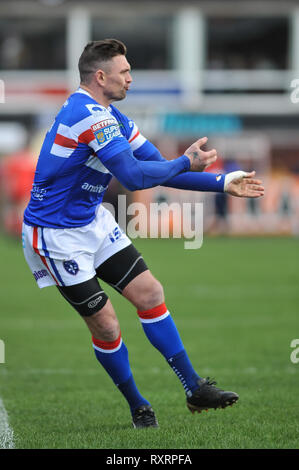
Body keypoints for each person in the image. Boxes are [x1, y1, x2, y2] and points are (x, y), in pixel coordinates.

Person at [22, 39, 264, 428]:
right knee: (107, 324)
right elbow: (135, 176)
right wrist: (183, 162)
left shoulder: (111, 116)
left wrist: (222, 181)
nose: (131, 79)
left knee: (150, 293)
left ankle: (194, 387)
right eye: (125, 72)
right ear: (101, 77)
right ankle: (138, 405)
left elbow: (158, 166)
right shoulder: (89, 116)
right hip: (56, 235)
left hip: (92, 222)